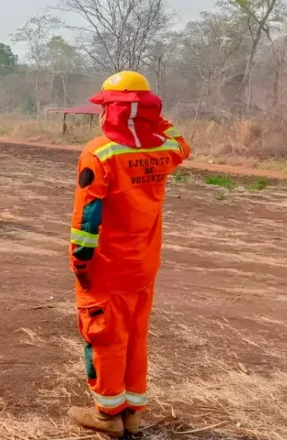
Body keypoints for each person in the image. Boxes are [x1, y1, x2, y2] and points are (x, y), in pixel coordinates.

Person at [66, 71, 191, 438]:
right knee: (136, 337)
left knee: (104, 338)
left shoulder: (99, 152)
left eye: (105, 108)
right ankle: (131, 412)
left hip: (107, 269)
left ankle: (107, 414)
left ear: (115, 112)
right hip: (144, 267)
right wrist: (153, 119)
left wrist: (80, 263)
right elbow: (182, 142)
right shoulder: (163, 150)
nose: (101, 115)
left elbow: (87, 218)